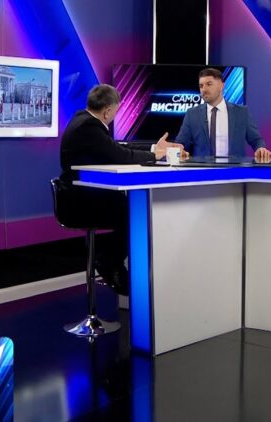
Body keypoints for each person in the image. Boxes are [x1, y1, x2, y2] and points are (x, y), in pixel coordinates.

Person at [60, 84, 187, 295]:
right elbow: (120, 155)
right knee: (136, 212)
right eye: (116, 111)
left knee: (131, 207)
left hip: (81, 196)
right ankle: (109, 260)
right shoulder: (89, 127)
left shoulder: (84, 121)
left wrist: (155, 149)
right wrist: (155, 156)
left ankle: (112, 259)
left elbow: (116, 147)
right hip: (80, 202)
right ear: (108, 111)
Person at [176, 68, 271, 160]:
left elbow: (256, 140)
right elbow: (181, 143)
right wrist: (179, 150)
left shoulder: (241, 112)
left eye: (209, 84)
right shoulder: (192, 114)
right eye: (201, 86)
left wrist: (261, 149)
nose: (204, 89)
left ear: (221, 86)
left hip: (234, 169)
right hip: (203, 170)